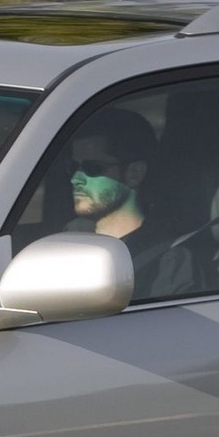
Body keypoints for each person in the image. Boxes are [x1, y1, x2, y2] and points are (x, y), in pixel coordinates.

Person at [64, 108, 200, 300]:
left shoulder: (169, 260)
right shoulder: (66, 243)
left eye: (91, 168)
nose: (76, 179)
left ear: (134, 173)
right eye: (73, 167)